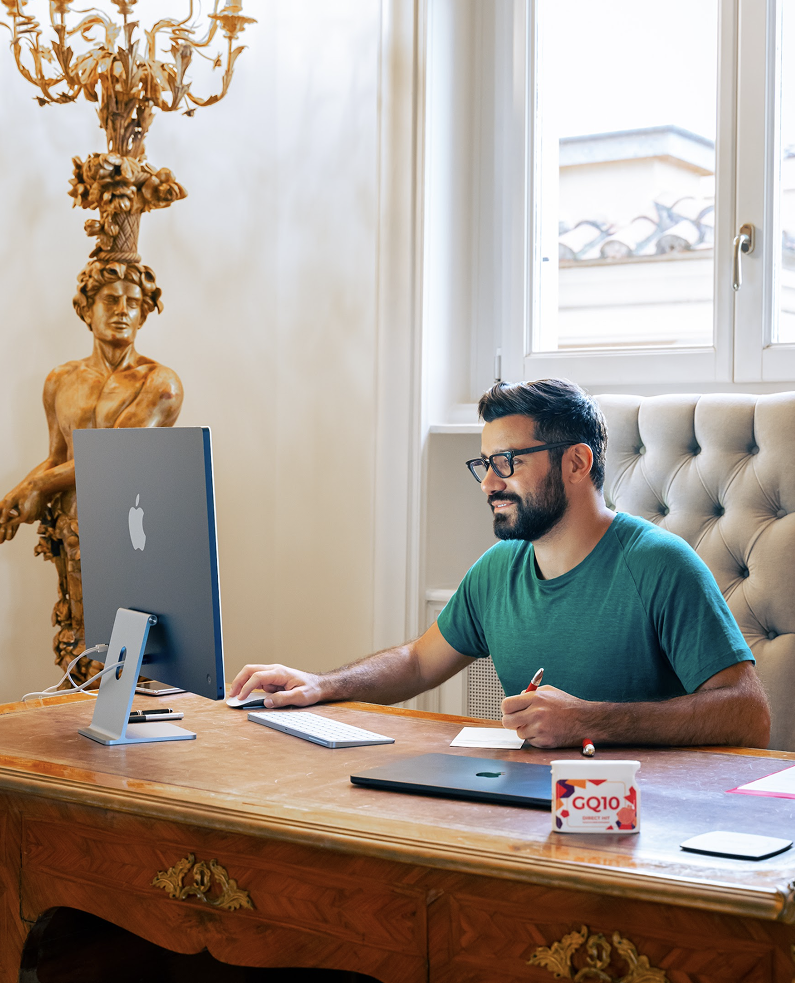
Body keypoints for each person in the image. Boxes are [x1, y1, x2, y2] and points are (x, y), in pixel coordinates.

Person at [230, 378, 770, 749]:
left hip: (634, 814)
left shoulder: (658, 565)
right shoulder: (498, 568)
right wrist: (322, 685)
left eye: (507, 462)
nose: (490, 483)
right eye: (485, 464)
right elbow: (418, 664)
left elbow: (749, 715)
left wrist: (590, 722)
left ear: (577, 461)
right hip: (525, 808)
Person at [0, 260, 183, 681]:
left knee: (122, 654)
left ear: (144, 312)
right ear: (86, 309)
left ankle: (125, 741)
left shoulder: (160, 382)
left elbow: (110, 456)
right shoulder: (60, 380)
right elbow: (59, 455)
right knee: (76, 641)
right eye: (110, 299)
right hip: (70, 531)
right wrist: (21, 493)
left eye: (134, 302)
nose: (123, 310)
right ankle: (80, 739)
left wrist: (38, 484)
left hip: (130, 531)